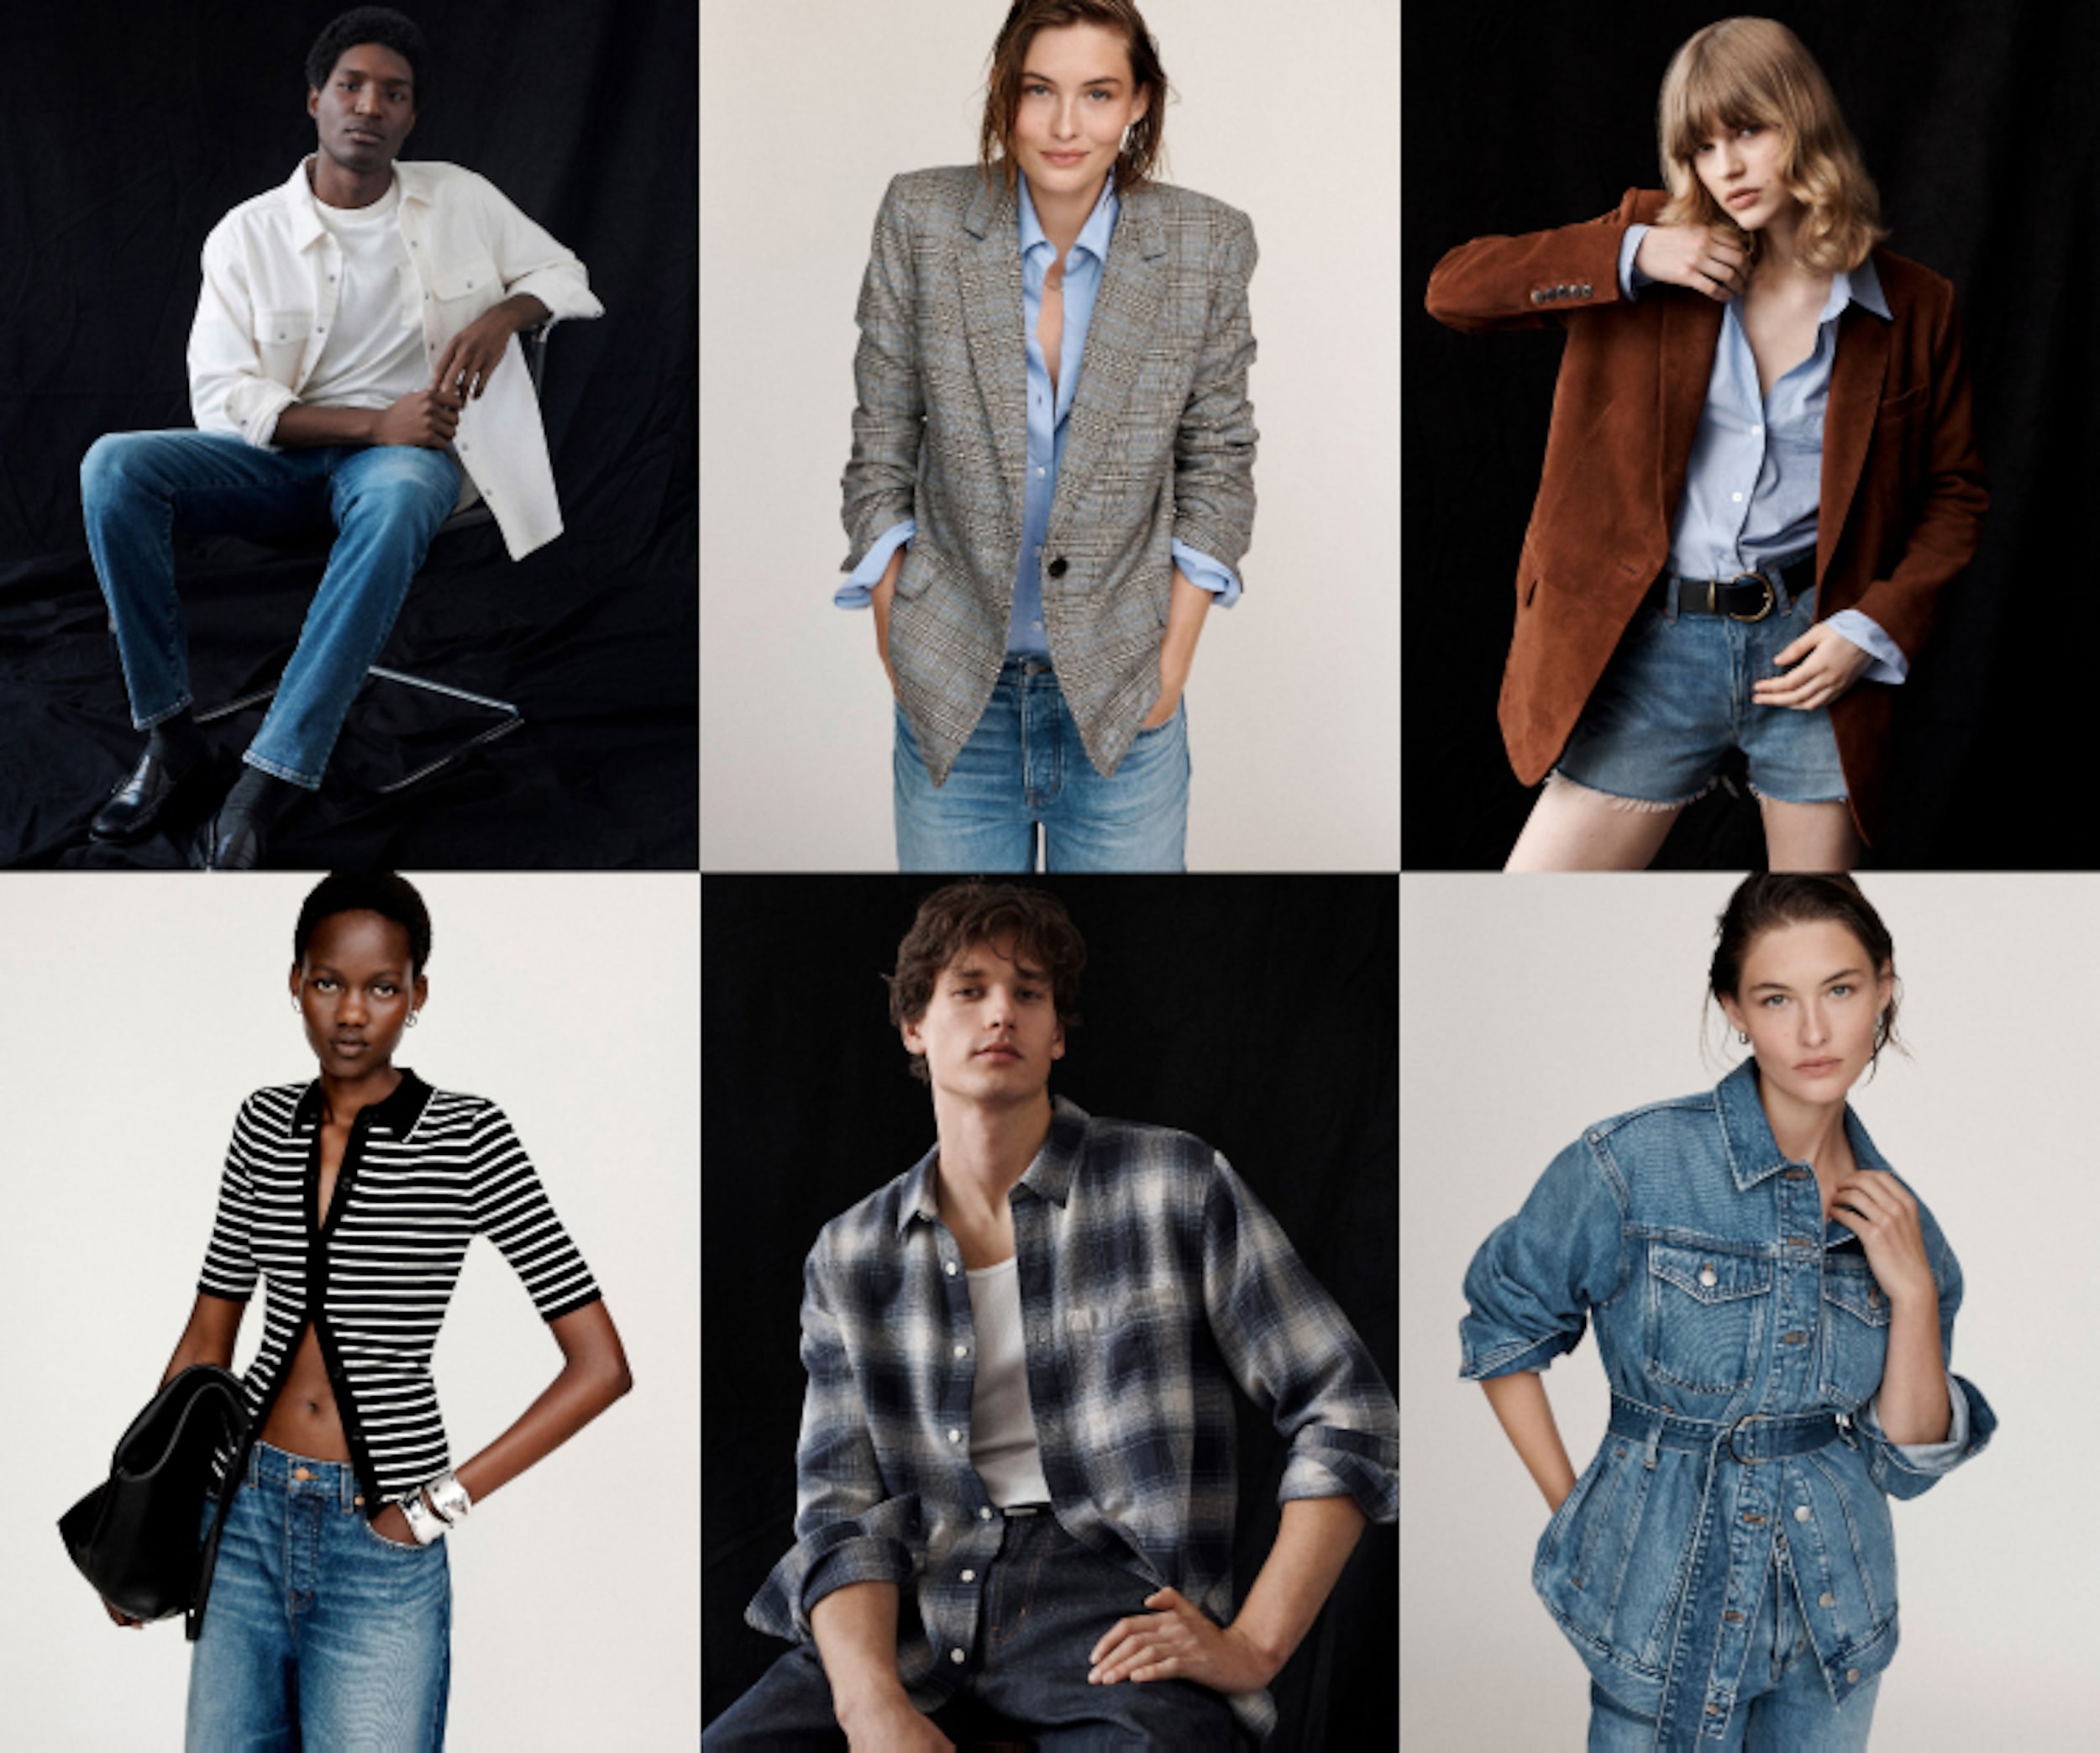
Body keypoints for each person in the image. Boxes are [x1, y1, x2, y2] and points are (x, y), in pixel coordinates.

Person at [704, 882, 1394, 1748]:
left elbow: (1351, 1412)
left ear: (1057, 1033)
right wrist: (871, 1702)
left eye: (1029, 992)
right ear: (914, 1024)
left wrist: (1253, 1644)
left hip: (1106, 1607)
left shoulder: (1171, 1183)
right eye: (970, 988)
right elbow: (840, 1512)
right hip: (911, 1610)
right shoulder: (851, 1253)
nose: (1002, 1011)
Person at [1424, 18, 1987, 871]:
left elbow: (1955, 496)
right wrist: (1637, 252)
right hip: (1652, 646)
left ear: (1803, 123)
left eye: (1748, 131)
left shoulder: (1913, 305)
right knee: (1529, 904)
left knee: (1808, 925)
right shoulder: (1653, 250)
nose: (1724, 168)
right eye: (1699, 148)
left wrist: (1870, 627)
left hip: (1810, 651)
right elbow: (1452, 291)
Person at [1459, 874, 1995, 1750]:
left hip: (1836, 1627)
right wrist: (1579, 1516)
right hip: (1662, 1615)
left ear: (1883, 989)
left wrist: (1914, 1293)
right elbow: (1500, 1324)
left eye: (1841, 989)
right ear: (1733, 1008)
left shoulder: (1902, 1221)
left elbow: (1902, 1463)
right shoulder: (1632, 1163)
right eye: (1776, 997)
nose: (1814, 1031)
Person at [103, 870, 633, 1749]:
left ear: (417, 993)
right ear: (295, 982)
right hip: (237, 1524)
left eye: (382, 987)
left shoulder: (469, 1134)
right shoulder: (262, 1123)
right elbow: (208, 1334)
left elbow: (601, 1364)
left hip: (378, 1539)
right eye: (328, 982)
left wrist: (434, 1507)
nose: (353, 1012)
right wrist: (149, 1526)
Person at [81, 7, 604, 869]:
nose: (371, 106)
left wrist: (503, 316)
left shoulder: (460, 197)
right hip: (279, 458)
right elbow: (223, 398)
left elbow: (566, 273)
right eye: (353, 87)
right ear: (316, 99)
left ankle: (272, 774)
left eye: (393, 94)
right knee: (114, 465)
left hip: (411, 462)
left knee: (399, 488)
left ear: (411, 116)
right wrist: (372, 420)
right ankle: (171, 739)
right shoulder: (248, 234)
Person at [836, 0, 1259, 873]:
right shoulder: (921, 218)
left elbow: (1218, 459)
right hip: (955, 690)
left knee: (1124, 971)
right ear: (1005, 93)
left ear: (1140, 102)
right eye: (1039, 91)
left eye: (1098, 93)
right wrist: (895, 635)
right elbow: (881, 439)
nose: (1066, 126)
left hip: (1121, 691)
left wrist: (1169, 666)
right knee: (957, 940)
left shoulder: (1205, 242)